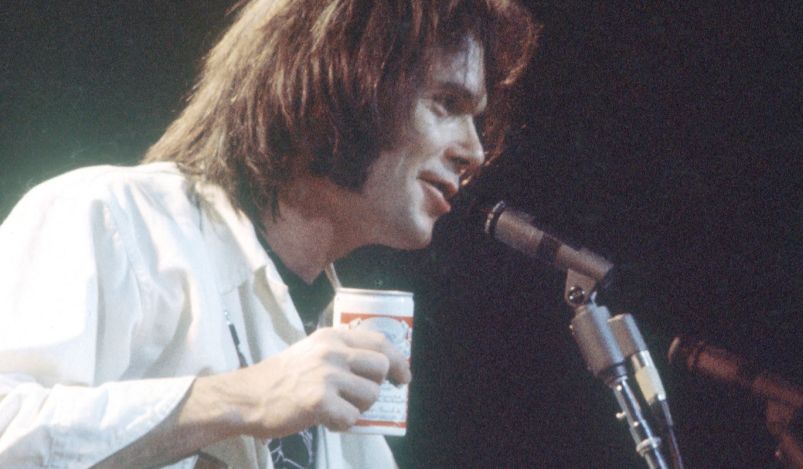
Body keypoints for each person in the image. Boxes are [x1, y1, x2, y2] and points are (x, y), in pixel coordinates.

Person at [0, 0, 537, 467]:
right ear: (345, 82)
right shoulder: (112, 217)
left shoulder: (335, 353)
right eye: (446, 104)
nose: (475, 152)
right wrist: (243, 399)